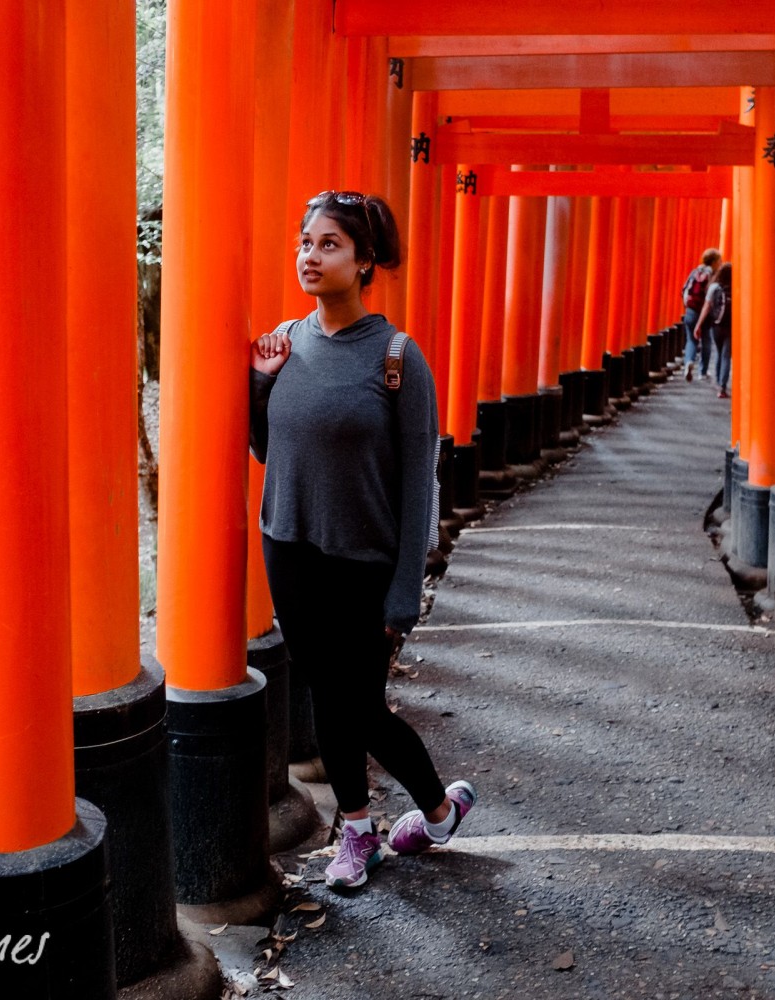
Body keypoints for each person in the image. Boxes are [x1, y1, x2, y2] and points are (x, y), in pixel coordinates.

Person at [249, 190, 477, 891]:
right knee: (326, 696)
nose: (309, 257)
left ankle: (428, 811)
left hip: (362, 563)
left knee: (356, 706)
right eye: (305, 242)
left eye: (329, 244)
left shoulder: (398, 359)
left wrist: (403, 592)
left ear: (366, 259)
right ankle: (367, 829)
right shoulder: (286, 342)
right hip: (288, 547)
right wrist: (261, 386)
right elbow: (267, 450)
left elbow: (419, 486)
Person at [692, 261, 733, 399]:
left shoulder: (714, 287)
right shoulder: (736, 287)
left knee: (718, 352)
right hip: (730, 326)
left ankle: (717, 382)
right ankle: (722, 386)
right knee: (726, 355)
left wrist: (698, 325)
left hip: (716, 325)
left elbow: (706, 307)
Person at [681, 248, 721, 381]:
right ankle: (703, 371)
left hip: (691, 311)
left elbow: (684, 289)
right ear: (714, 262)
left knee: (691, 339)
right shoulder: (713, 275)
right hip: (705, 312)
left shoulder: (695, 272)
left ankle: (688, 361)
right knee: (706, 340)